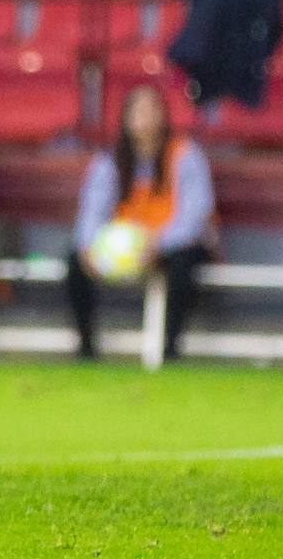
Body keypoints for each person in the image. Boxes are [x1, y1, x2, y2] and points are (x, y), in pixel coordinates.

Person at [65, 82, 216, 363]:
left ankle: (170, 348)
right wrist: (88, 246)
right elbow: (92, 210)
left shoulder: (185, 155)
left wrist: (158, 243)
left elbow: (196, 214)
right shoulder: (109, 161)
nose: (145, 117)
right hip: (123, 249)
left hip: (170, 245)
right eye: (138, 110)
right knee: (74, 261)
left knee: (184, 263)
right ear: (125, 118)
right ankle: (86, 347)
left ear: (164, 115)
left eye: (152, 109)